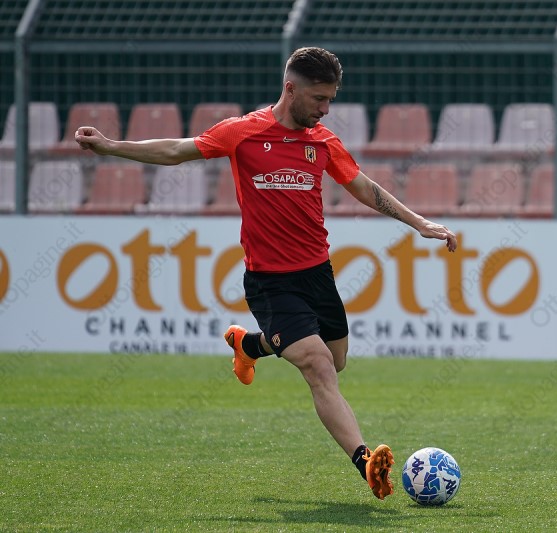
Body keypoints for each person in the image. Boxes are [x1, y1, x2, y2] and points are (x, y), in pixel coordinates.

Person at [75, 46, 458, 500]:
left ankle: (250, 345)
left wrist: (419, 223)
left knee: (336, 360)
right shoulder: (243, 133)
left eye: (330, 99)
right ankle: (366, 462)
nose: (326, 109)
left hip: (318, 275)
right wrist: (109, 145)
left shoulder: (323, 141)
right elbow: (178, 150)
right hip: (270, 281)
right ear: (290, 89)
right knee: (319, 366)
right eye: (319, 98)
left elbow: (362, 186)